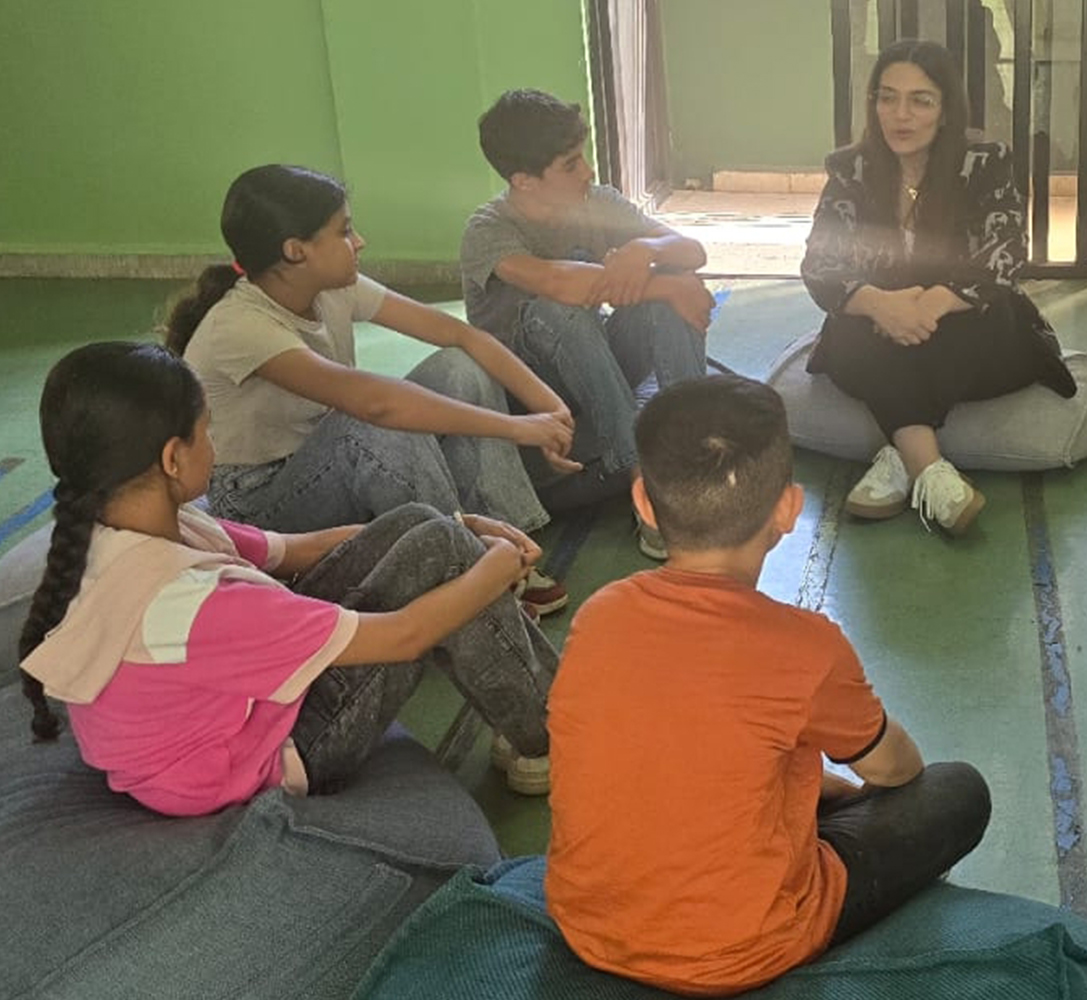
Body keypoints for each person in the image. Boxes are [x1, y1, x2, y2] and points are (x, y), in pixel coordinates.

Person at [546, 375, 991, 995]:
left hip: (586, 927)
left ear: (643, 502)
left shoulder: (599, 614)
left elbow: (674, 745)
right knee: (958, 790)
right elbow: (895, 770)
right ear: (788, 509)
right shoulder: (806, 647)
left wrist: (813, 786)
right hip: (746, 948)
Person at [16, 342, 557, 817]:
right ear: (173, 458)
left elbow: (297, 549)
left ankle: (539, 703)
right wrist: (497, 566)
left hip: (230, 720)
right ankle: (551, 734)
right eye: (207, 431)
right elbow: (406, 636)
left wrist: (460, 524)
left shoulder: (125, 531)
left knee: (426, 527)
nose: (214, 444)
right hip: (281, 754)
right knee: (448, 557)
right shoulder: (191, 604)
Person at [167, 164, 576, 617]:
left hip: (325, 463)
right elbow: (374, 405)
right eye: (344, 231)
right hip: (258, 501)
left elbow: (462, 336)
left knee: (460, 369)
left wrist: (551, 411)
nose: (359, 241)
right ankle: (466, 575)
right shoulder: (239, 326)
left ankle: (509, 549)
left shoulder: (331, 288)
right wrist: (516, 428)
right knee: (376, 421)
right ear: (295, 250)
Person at [802, 39, 1076, 536]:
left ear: (946, 110)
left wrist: (931, 303)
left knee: (974, 321)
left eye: (920, 100)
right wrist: (880, 304)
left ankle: (900, 454)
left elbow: (1006, 253)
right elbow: (820, 264)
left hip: (972, 336)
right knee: (852, 329)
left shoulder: (986, 162)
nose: (900, 115)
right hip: (881, 330)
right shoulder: (851, 169)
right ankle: (928, 469)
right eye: (887, 97)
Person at [462, 88, 716, 558]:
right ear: (524, 181)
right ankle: (643, 482)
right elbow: (559, 283)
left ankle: (690, 456)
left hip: (597, 375)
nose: (588, 171)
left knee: (676, 281)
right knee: (556, 310)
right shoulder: (488, 230)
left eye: (583, 157)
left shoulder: (596, 202)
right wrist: (665, 285)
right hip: (535, 407)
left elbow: (691, 251)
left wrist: (646, 250)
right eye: (570, 164)